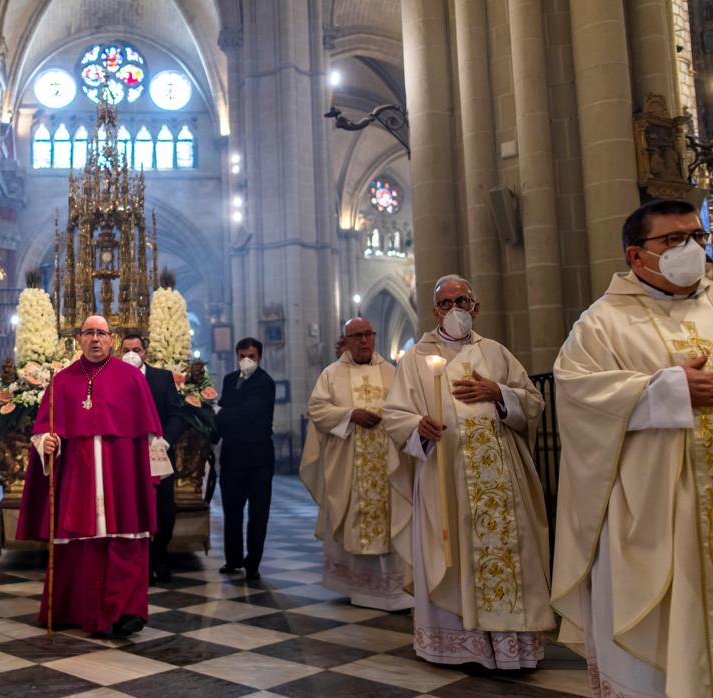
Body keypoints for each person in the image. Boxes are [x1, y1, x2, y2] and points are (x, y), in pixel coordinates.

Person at [553, 199, 713, 697]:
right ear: (636, 254)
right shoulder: (601, 323)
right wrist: (667, 390)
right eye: (673, 240)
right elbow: (576, 396)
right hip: (652, 514)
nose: (690, 249)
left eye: (697, 237)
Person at [381, 275, 553, 669]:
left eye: (463, 301)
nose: (455, 309)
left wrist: (500, 394)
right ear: (435, 310)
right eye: (446, 303)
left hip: (501, 480)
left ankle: (512, 650)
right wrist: (416, 428)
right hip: (446, 479)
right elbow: (395, 416)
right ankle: (456, 645)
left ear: (476, 307)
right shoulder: (415, 359)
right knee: (451, 554)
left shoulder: (496, 353)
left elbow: (533, 402)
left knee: (508, 554)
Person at [16, 315, 167, 636]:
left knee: (125, 539)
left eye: (101, 333)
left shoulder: (131, 378)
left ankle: (126, 611)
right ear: (78, 339)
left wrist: (151, 477)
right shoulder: (62, 380)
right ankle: (76, 610)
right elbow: (42, 429)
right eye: (88, 333)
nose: (95, 339)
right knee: (79, 543)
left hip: (122, 475)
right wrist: (47, 442)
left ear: (111, 339)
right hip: (78, 477)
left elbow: (151, 432)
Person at [302, 317, 412, 610]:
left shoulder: (392, 372)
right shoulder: (331, 374)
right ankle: (356, 586)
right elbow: (317, 409)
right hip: (350, 463)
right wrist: (351, 415)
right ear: (347, 340)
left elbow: (408, 410)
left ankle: (394, 589)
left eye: (368, 334)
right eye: (357, 336)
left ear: (374, 337)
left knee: (393, 520)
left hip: (388, 463)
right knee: (352, 519)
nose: (364, 340)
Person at [121, 333, 185, 582]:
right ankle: (141, 563)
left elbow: (177, 415)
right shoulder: (113, 377)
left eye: (136, 349)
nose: (131, 354)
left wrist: (164, 440)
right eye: (126, 349)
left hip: (158, 453)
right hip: (127, 457)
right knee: (133, 510)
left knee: (164, 510)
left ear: (145, 352)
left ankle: (160, 557)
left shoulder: (162, 378)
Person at [215, 337, 276, 580]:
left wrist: (218, 412)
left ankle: (253, 563)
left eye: (251, 356)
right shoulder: (230, 380)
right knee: (231, 510)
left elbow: (247, 414)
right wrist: (210, 434)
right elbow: (221, 414)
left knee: (258, 513)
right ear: (236, 356)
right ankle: (233, 559)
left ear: (259, 357)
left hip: (258, 457)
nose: (246, 361)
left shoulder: (265, 383)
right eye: (242, 356)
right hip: (232, 456)